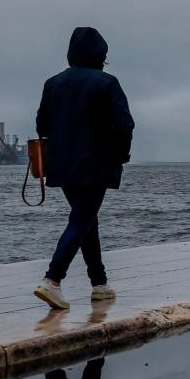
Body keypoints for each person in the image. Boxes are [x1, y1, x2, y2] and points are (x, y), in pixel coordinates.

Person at [33, 27, 135, 309]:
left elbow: (41, 125)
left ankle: (99, 283)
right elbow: (125, 124)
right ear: (101, 54)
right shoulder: (107, 83)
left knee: (86, 220)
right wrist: (121, 154)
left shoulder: (52, 83)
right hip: (96, 164)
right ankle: (52, 280)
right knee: (81, 220)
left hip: (62, 164)